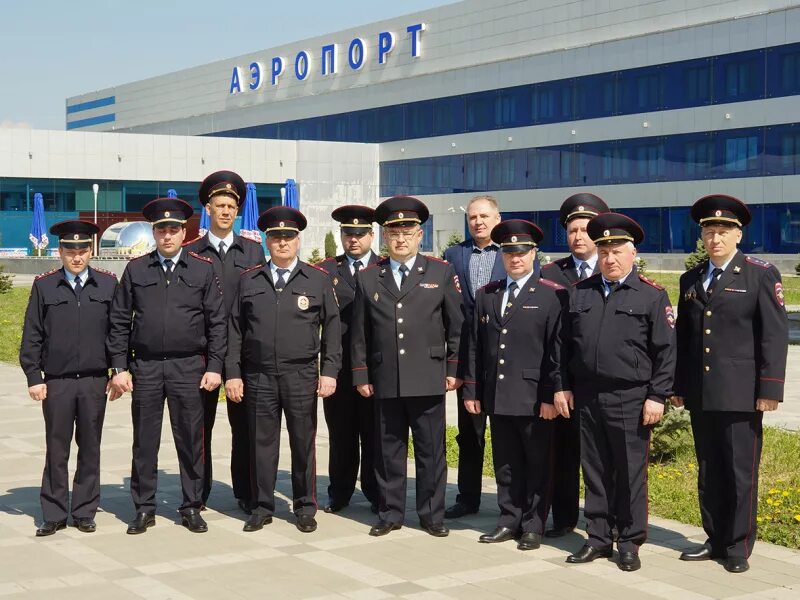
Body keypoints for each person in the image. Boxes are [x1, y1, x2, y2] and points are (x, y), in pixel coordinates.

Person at [673, 194, 788, 574]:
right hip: (702, 394)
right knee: (709, 469)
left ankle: (738, 545)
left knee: (740, 471)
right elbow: (685, 339)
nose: (715, 239)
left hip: (741, 393)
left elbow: (773, 335)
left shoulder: (759, 273)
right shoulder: (691, 279)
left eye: (723, 231)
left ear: (738, 235)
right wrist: (679, 385)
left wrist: (769, 390)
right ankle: (715, 537)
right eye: (709, 232)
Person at [560, 213, 675, 572]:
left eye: (617, 251)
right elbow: (563, 348)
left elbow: (666, 351)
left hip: (631, 397)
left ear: (632, 253)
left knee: (629, 473)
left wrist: (658, 396)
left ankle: (629, 541)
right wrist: (562, 386)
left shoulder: (651, 295)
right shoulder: (580, 292)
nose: (610, 258)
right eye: (605, 250)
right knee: (593, 470)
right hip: (588, 395)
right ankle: (597, 539)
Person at [107, 198, 226, 535]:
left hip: (188, 367)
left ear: (184, 231)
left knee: (190, 440)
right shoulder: (137, 269)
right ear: (154, 232)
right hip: (144, 367)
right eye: (162, 229)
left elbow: (217, 323)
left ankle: (191, 506)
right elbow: (119, 322)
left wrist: (215, 366)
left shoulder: (202, 269)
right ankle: (144, 508)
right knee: (145, 442)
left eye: (174, 229)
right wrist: (119, 368)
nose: (168, 235)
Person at [350, 195, 464, 538]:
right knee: (388, 452)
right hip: (385, 378)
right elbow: (359, 333)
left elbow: (456, 325)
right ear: (385, 237)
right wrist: (361, 374)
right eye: (394, 232)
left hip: (428, 377)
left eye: (408, 231)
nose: (401, 238)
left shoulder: (440, 272)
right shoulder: (370, 277)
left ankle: (432, 515)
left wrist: (453, 368)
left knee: (431, 451)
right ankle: (390, 512)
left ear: (419, 235)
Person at [226, 206, 341, 534]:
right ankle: (262, 506)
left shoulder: (317, 279)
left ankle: (305, 506)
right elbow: (235, 330)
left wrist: (329, 371)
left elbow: (332, 329)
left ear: (298, 240)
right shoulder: (249, 280)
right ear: (267, 241)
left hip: (301, 374)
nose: (282, 243)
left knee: (303, 442)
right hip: (259, 374)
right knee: (261, 444)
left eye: (288, 237)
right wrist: (233, 372)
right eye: (276, 237)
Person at [462, 220, 565, 550]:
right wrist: (473, 390)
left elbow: (556, 352)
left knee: (537, 464)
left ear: (534, 254)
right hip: (497, 395)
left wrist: (550, 395)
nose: (515, 258)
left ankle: (533, 524)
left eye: (521, 252)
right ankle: (509, 519)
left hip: (534, 398)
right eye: (508, 252)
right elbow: (475, 348)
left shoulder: (552, 295)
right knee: (505, 462)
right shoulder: (487, 295)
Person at [20, 220, 119, 536]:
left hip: (94, 381)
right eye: (69, 250)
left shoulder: (107, 284)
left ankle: (85, 511)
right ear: (59, 251)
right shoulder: (45, 286)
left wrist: (117, 370)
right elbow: (32, 335)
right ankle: (54, 512)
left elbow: (118, 332)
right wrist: (34, 376)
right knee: (56, 447)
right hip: (58, 383)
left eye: (82, 250)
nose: (76, 257)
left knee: (90, 447)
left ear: (91, 251)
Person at [184, 170, 265, 513]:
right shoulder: (191, 252)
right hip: (201, 354)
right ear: (207, 208)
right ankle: (197, 494)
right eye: (220, 205)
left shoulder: (253, 251)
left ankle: (245, 493)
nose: (226, 211)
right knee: (199, 427)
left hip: (243, 355)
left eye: (232, 206)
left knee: (245, 428)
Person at [540, 192, 609, 538]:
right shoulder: (550, 272)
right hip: (562, 381)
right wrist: (554, 385)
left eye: (585, 229)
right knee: (563, 454)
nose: (579, 236)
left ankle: (605, 522)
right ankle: (564, 518)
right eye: (572, 231)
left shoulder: (613, 266)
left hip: (600, 383)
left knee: (600, 459)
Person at [442, 195, 505, 519]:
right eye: (472, 217)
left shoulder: (513, 252)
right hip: (467, 358)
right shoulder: (454, 255)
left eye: (484, 216)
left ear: (497, 218)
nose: (478, 222)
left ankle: (512, 503)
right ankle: (468, 497)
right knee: (469, 434)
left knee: (507, 435)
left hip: (505, 357)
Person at [317, 205, 380, 514]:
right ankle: (339, 492)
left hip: (375, 367)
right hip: (339, 367)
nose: (353, 239)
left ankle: (376, 491)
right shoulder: (326, 270)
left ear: (371, 235)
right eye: (347, 234)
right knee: (341, 434)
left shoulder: (385, 267)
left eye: (359, 234)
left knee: (375, 434)